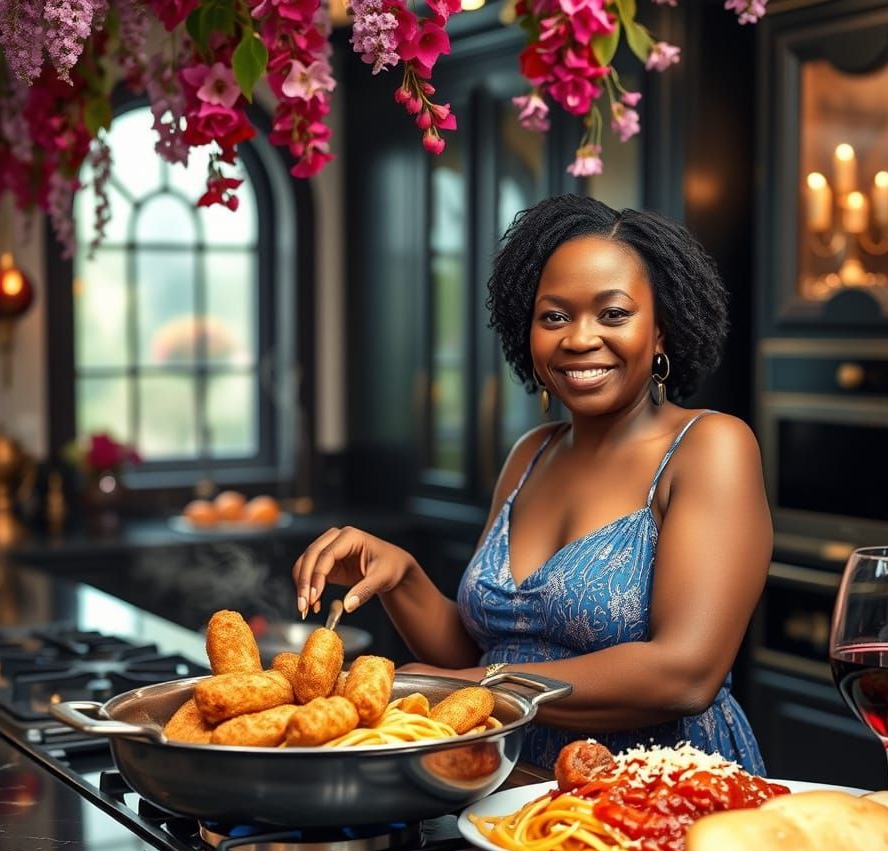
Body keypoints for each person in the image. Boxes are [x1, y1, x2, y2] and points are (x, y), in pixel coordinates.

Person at [293, 194, 773, 773]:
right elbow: (483, 647)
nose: (578, 338)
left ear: (663, 329)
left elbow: (685, 675)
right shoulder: (530, 454)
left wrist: (470, 686)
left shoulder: (710, 447)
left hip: (659, 793)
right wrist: (400, 577)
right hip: (514, 786)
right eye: (555, 316)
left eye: (613, 314)